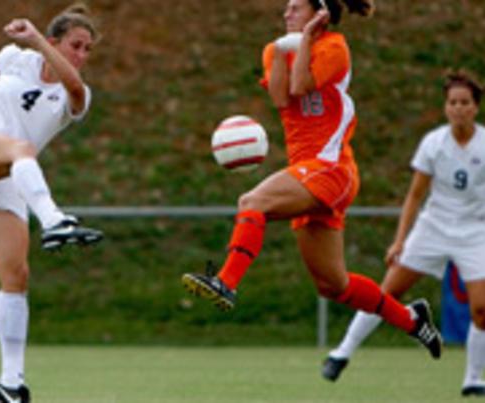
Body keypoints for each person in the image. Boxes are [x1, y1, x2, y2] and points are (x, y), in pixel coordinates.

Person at [182, 0, 442, 359]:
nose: (286, 12)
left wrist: (304, 40)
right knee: (333, 285)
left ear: (319, 13)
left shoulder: (333, 47)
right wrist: (285, 47)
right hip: (308, 172)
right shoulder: (275, 49)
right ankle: (413, 320)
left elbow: (303, 85)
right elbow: (280, 98)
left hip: (332, 168)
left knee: (251, 202)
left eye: (295, 7)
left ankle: (225, 282)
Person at [0, 3, 103, 402]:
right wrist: (4, 58)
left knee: (16, 277)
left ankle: (10, 384)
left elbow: (75, 88)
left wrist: (38, 42)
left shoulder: (75, 93)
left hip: (6, 177)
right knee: (21, 148)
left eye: (87, 49)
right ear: (57, 40)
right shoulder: (21, 60)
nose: (80, 54)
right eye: (75, 45)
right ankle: (55, 220)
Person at [323, 70, 485, 397]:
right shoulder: (434, 143)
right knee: (388, 291)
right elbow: (414, 195)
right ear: (445, 106)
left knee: (482, 308)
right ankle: (341, 353)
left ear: (475, 107)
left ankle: (472, 378)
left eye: (464, 102)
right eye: (452, 102)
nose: (457, 108)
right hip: (433, 227)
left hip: (475, 232)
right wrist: (400, 240)